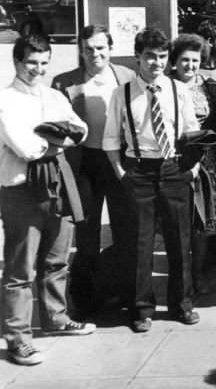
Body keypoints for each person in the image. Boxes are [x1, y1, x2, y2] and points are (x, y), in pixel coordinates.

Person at [2, 34, 94, 366]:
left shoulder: (54, 95)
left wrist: (56, 136)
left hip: (58, 183)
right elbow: (25, 148)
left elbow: (81, 129)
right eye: (31, 63)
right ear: (16, 62)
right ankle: (18, 338)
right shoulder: (5, 100)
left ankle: (56, 317)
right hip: (21, 189)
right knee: (20, 266)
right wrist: (58, 140)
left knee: (57, 258)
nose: (37, 70)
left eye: (43, 63)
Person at [103, 27, 201, 333]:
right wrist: (121, 170)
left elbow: (191, 130)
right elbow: (109, 139)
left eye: (162, 57)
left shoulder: (179, 90)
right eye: (150, 57)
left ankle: (182, 304)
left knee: (178, 240)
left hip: (173, 170)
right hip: (139, 171)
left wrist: (192, 168)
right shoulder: (122, 94)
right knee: (140, 243)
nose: (157, 63)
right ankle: (141, 309)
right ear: (137, 58)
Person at [51, 25, 136, 314]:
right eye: (89, 49)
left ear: (110, 48)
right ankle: (85, 301)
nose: (95, 54)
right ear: (81, 50)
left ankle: (124, 294)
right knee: (86, 234)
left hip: (118, 161)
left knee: (125, 230)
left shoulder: (126, 76)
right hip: (84, 163)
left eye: (100, 48)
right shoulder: (64, 83)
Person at [169, 34, 216, 296]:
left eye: (195, 60)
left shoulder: (208, 85)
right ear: (175, 61)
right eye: (185, 60)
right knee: (179, 222)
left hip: (206, 159)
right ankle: (180, 277)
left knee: (202, 222)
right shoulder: (165, 85)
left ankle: (198, 274)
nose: (190, 65)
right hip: (175, 157)